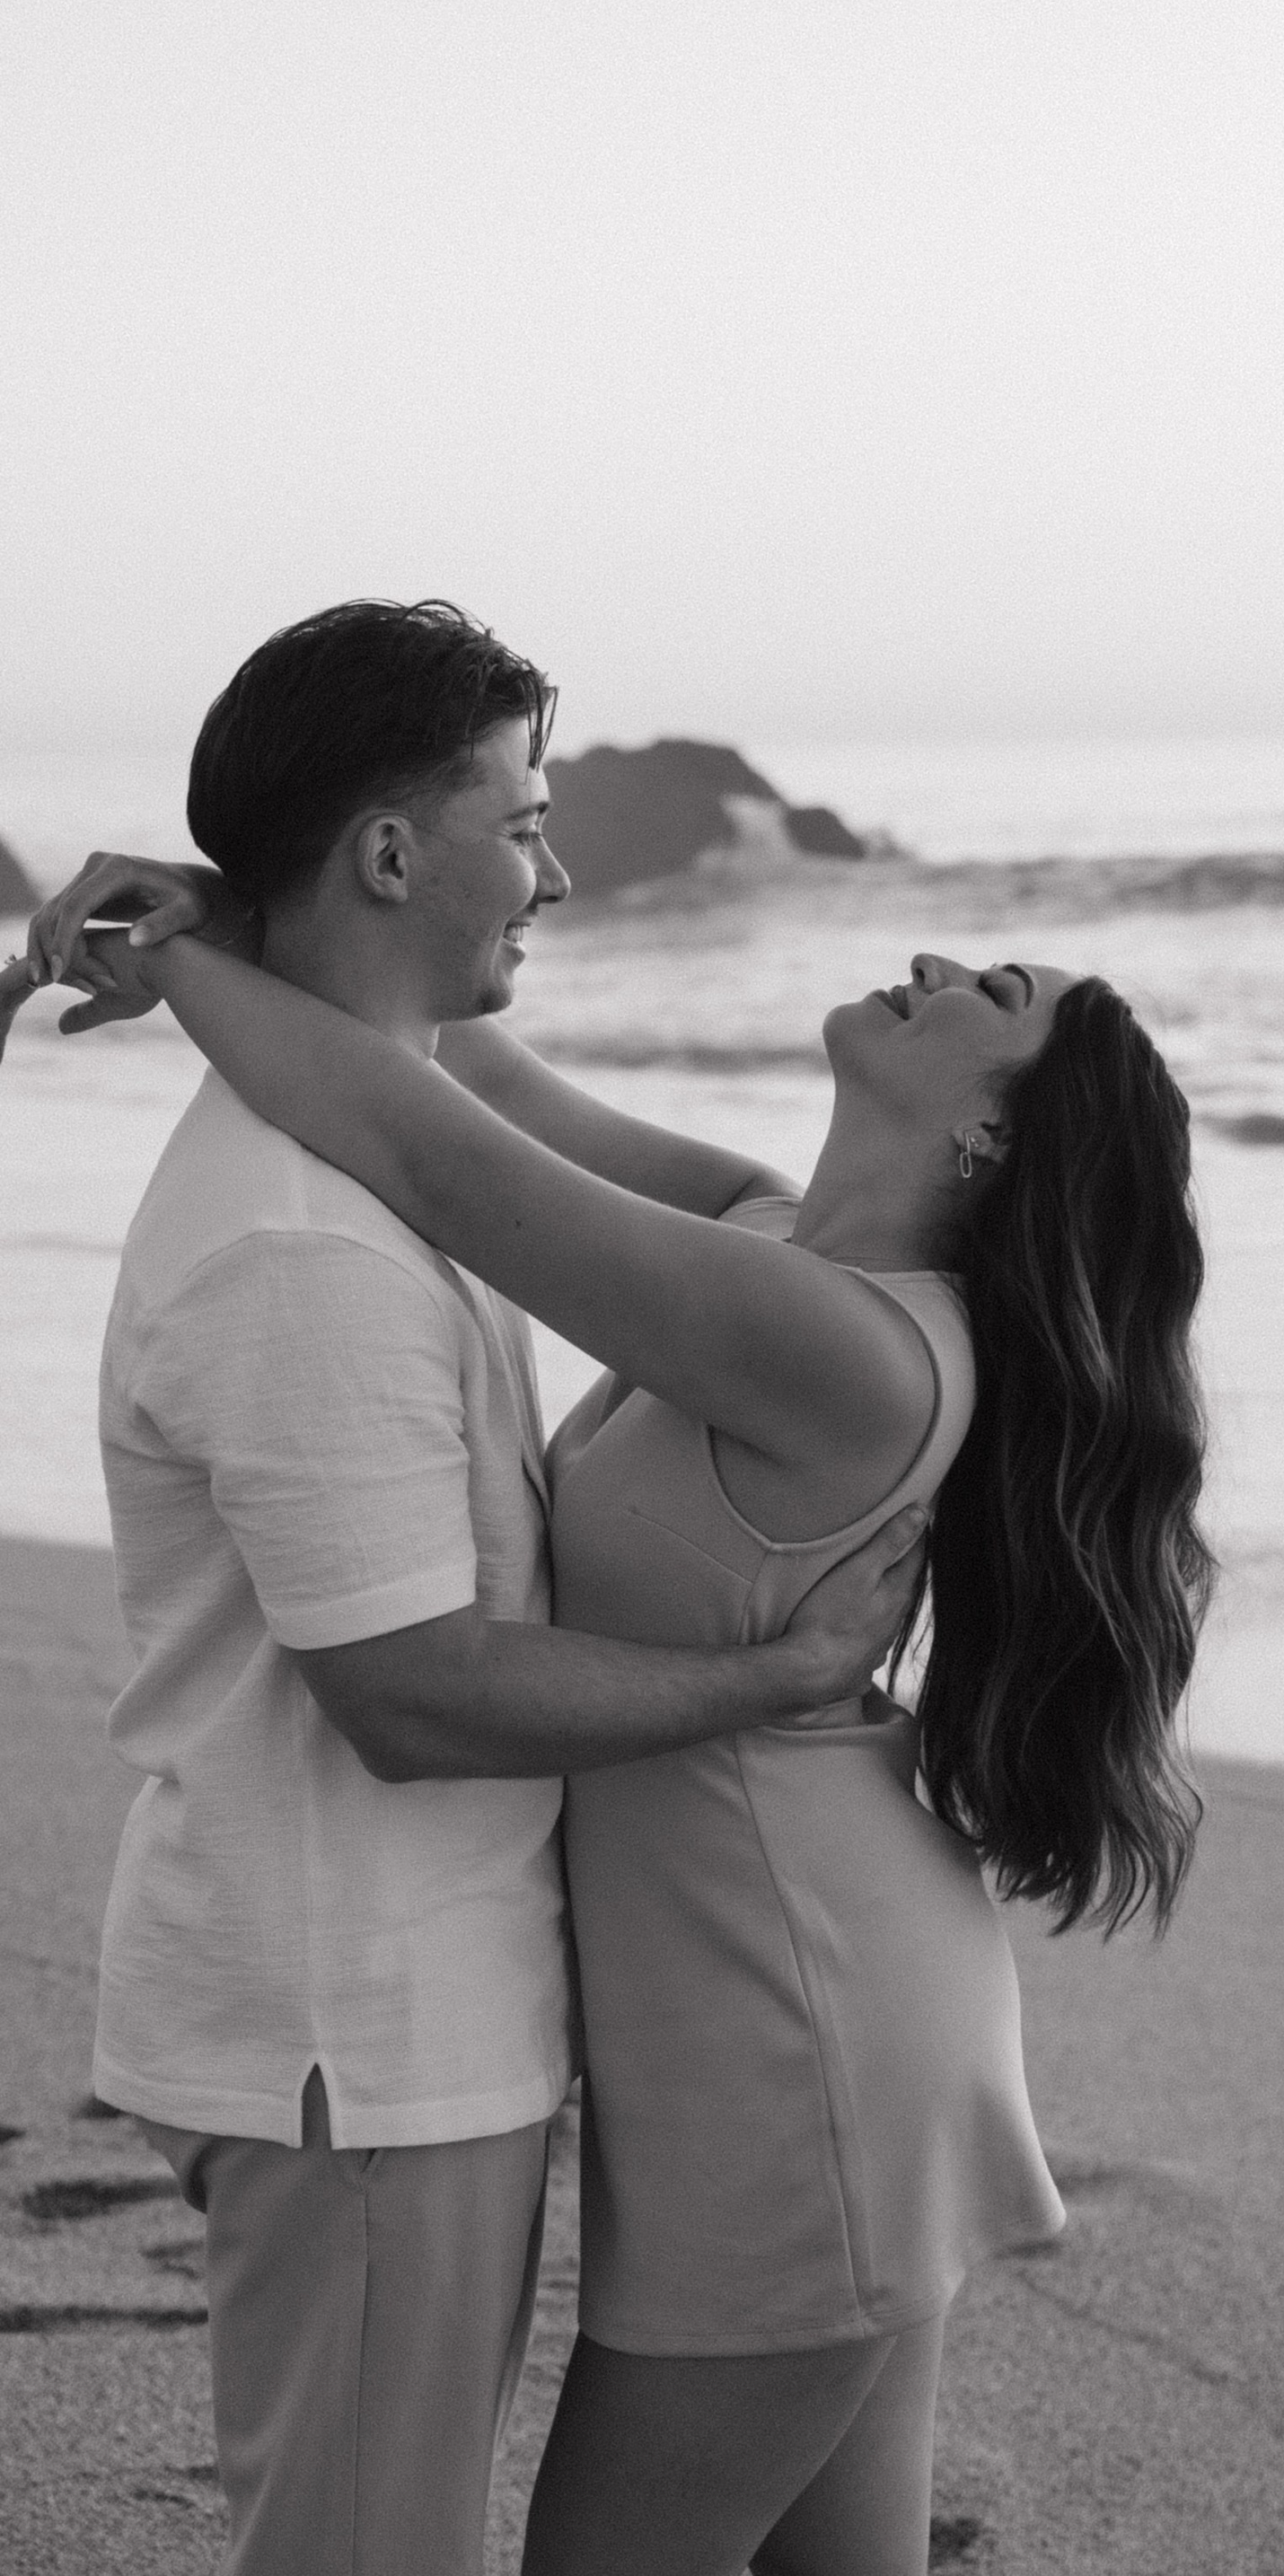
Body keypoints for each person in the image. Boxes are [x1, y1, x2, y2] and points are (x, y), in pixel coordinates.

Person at [30, 665, 1214, 2576]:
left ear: (994, 1140)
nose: (934, 956)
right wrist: (256, 914)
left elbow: (429, 1159)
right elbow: (455, 1078)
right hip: (804, 1983)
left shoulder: (836, 1345)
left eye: (992, 992)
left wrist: (184, 959)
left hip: (797, 2020)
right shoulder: (768, 1241)